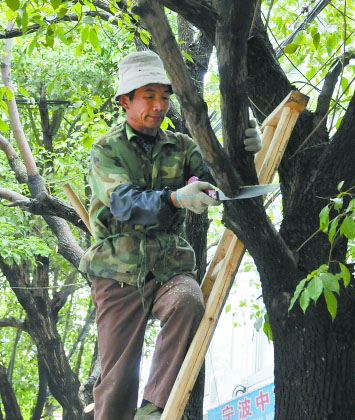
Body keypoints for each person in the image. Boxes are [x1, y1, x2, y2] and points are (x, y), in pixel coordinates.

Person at [78, 50, 262, 420]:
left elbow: (215, 174)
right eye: (150, 95)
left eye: (165, 96)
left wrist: (243, 152)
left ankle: (154, 409)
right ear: (125, 100)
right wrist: (177, 197)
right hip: (117, 273)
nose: (160, 105)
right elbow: (123, 203)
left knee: (187, 301)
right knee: (115, 382)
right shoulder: (106, 150)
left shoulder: (180, 146)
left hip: (167, 264)